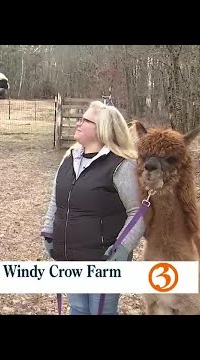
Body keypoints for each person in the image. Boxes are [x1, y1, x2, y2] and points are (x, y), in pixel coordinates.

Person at [40, 100, 145, 315]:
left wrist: (122, 249)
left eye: (85, 120)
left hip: (103, 260)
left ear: (102, 129)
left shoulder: (122, 165)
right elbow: (56, 201)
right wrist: (48, 232)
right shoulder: (69, 158)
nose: (78, 123)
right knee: (78, 309)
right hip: (70, 256)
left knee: (101, 311)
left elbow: (137, 212)